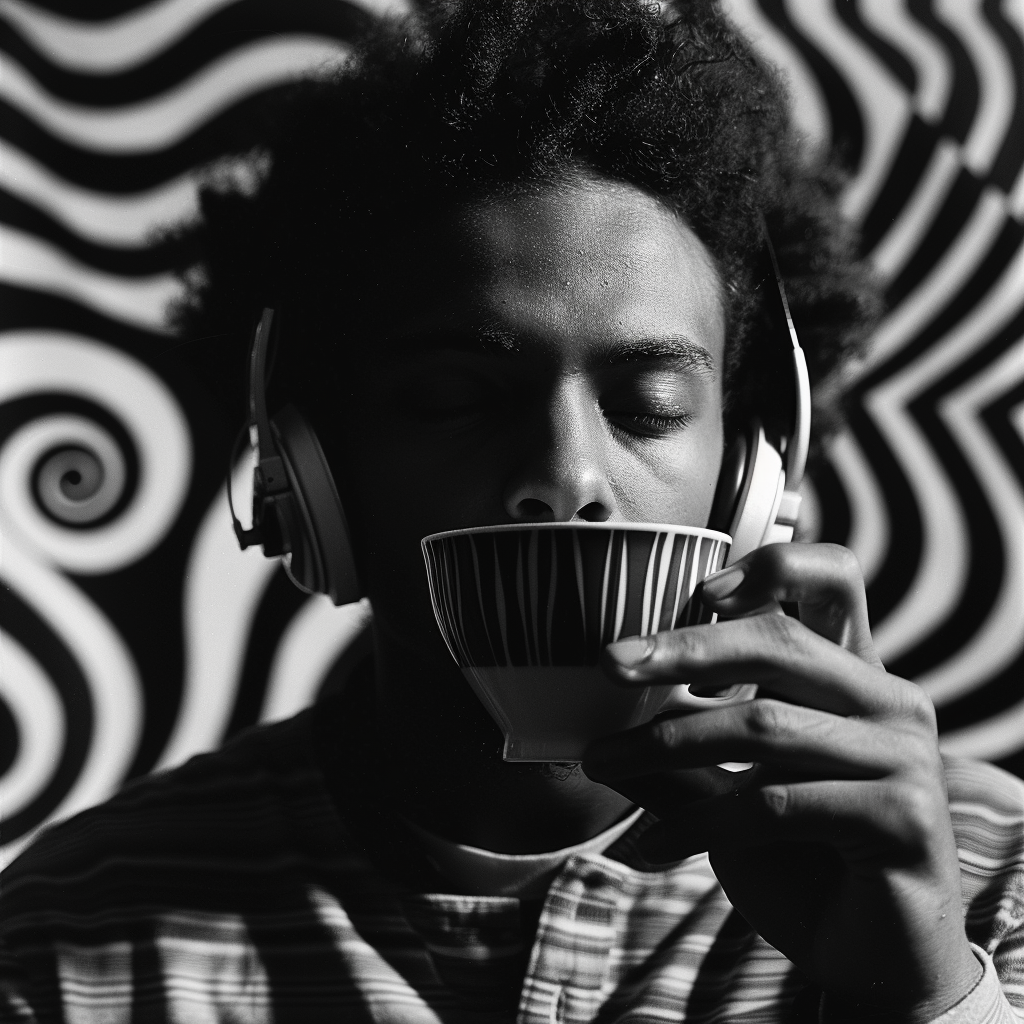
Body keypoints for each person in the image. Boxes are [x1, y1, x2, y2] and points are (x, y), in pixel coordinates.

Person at [3, 2, 1023, 1021]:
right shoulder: (66, 938)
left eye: (645, 408)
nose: (565, 474)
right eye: (455, 399)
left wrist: (925, 991)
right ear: (311, 468)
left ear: (753, 476)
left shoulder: (985, 879)